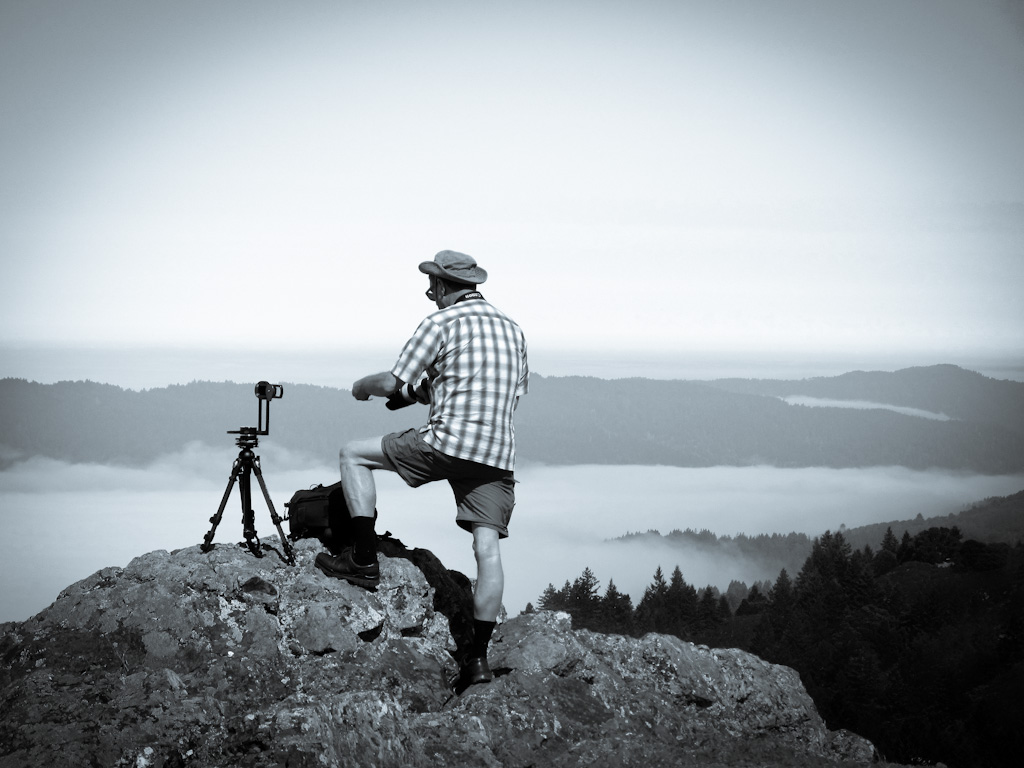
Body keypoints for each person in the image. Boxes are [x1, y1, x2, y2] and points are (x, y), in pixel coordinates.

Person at [316, 249, 529, 686]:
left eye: (433, 284)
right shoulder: (513, 329)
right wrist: (417, 394)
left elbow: (391, 382)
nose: (429, 291)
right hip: (495, 455)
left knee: (352, 454)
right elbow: (484, 387)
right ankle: (478, 661)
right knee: (487, 552)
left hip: (447, 442)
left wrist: (362, 388)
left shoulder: (440, 323)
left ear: (448, 287)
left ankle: (362, 558)